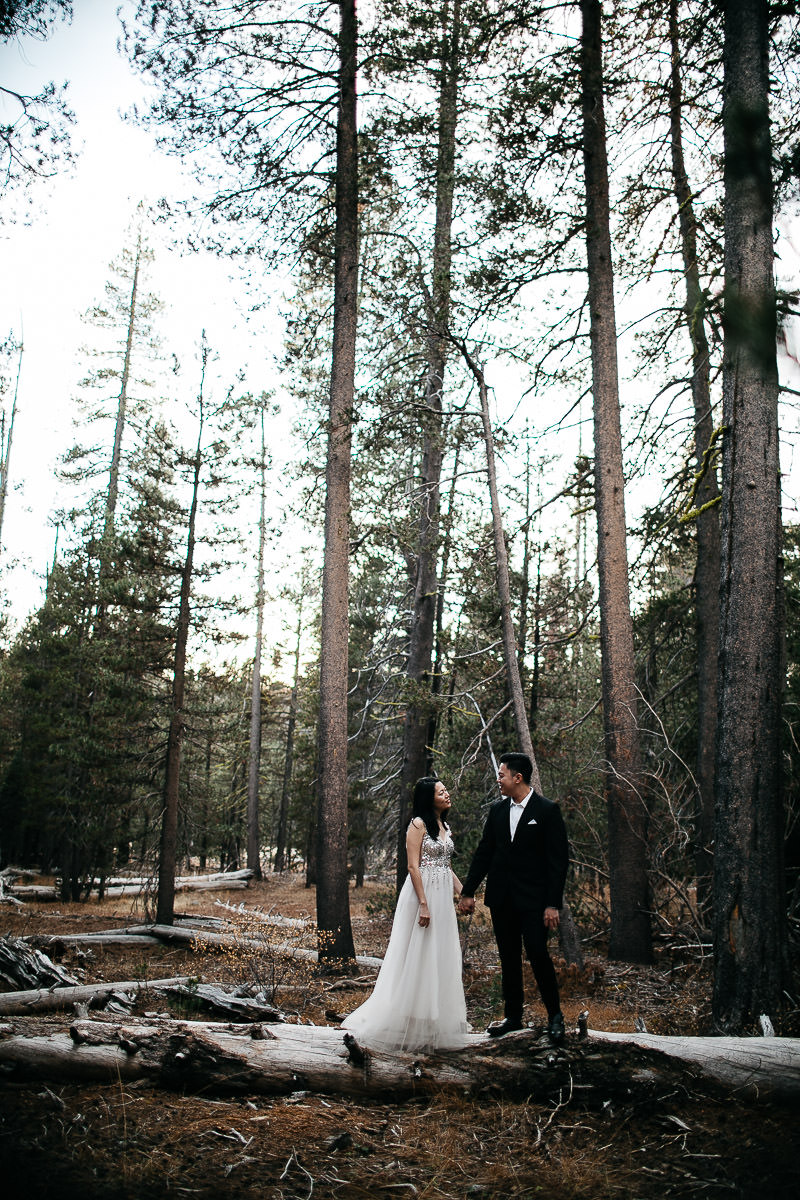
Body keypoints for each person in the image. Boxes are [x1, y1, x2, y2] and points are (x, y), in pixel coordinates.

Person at [342, 776, 471, 1053]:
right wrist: (423, 903)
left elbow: (444, 865)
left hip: (442, 894)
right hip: (421, 893)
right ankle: (407, 1018)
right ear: (428, 798)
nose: (447, 794)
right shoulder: (418, 824)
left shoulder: (444, 825)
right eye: (441, 792)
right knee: (418, 951)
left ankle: (434, 1017)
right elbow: (413, 867)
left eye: (446, 790)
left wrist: (464, 891)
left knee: (439, 952)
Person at [458, 752, 569, 1042]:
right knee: (508, 957)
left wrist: (552, 904)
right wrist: (468, 891)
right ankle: (513, 1017)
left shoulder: (547, 811)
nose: (498, 780)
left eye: (501, 775)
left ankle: (555, 1016)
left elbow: (558, 862)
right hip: (502, 898)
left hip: (535, 901)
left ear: (517, 777)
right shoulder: (496, 811)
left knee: (537, 953)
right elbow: (484, 853)